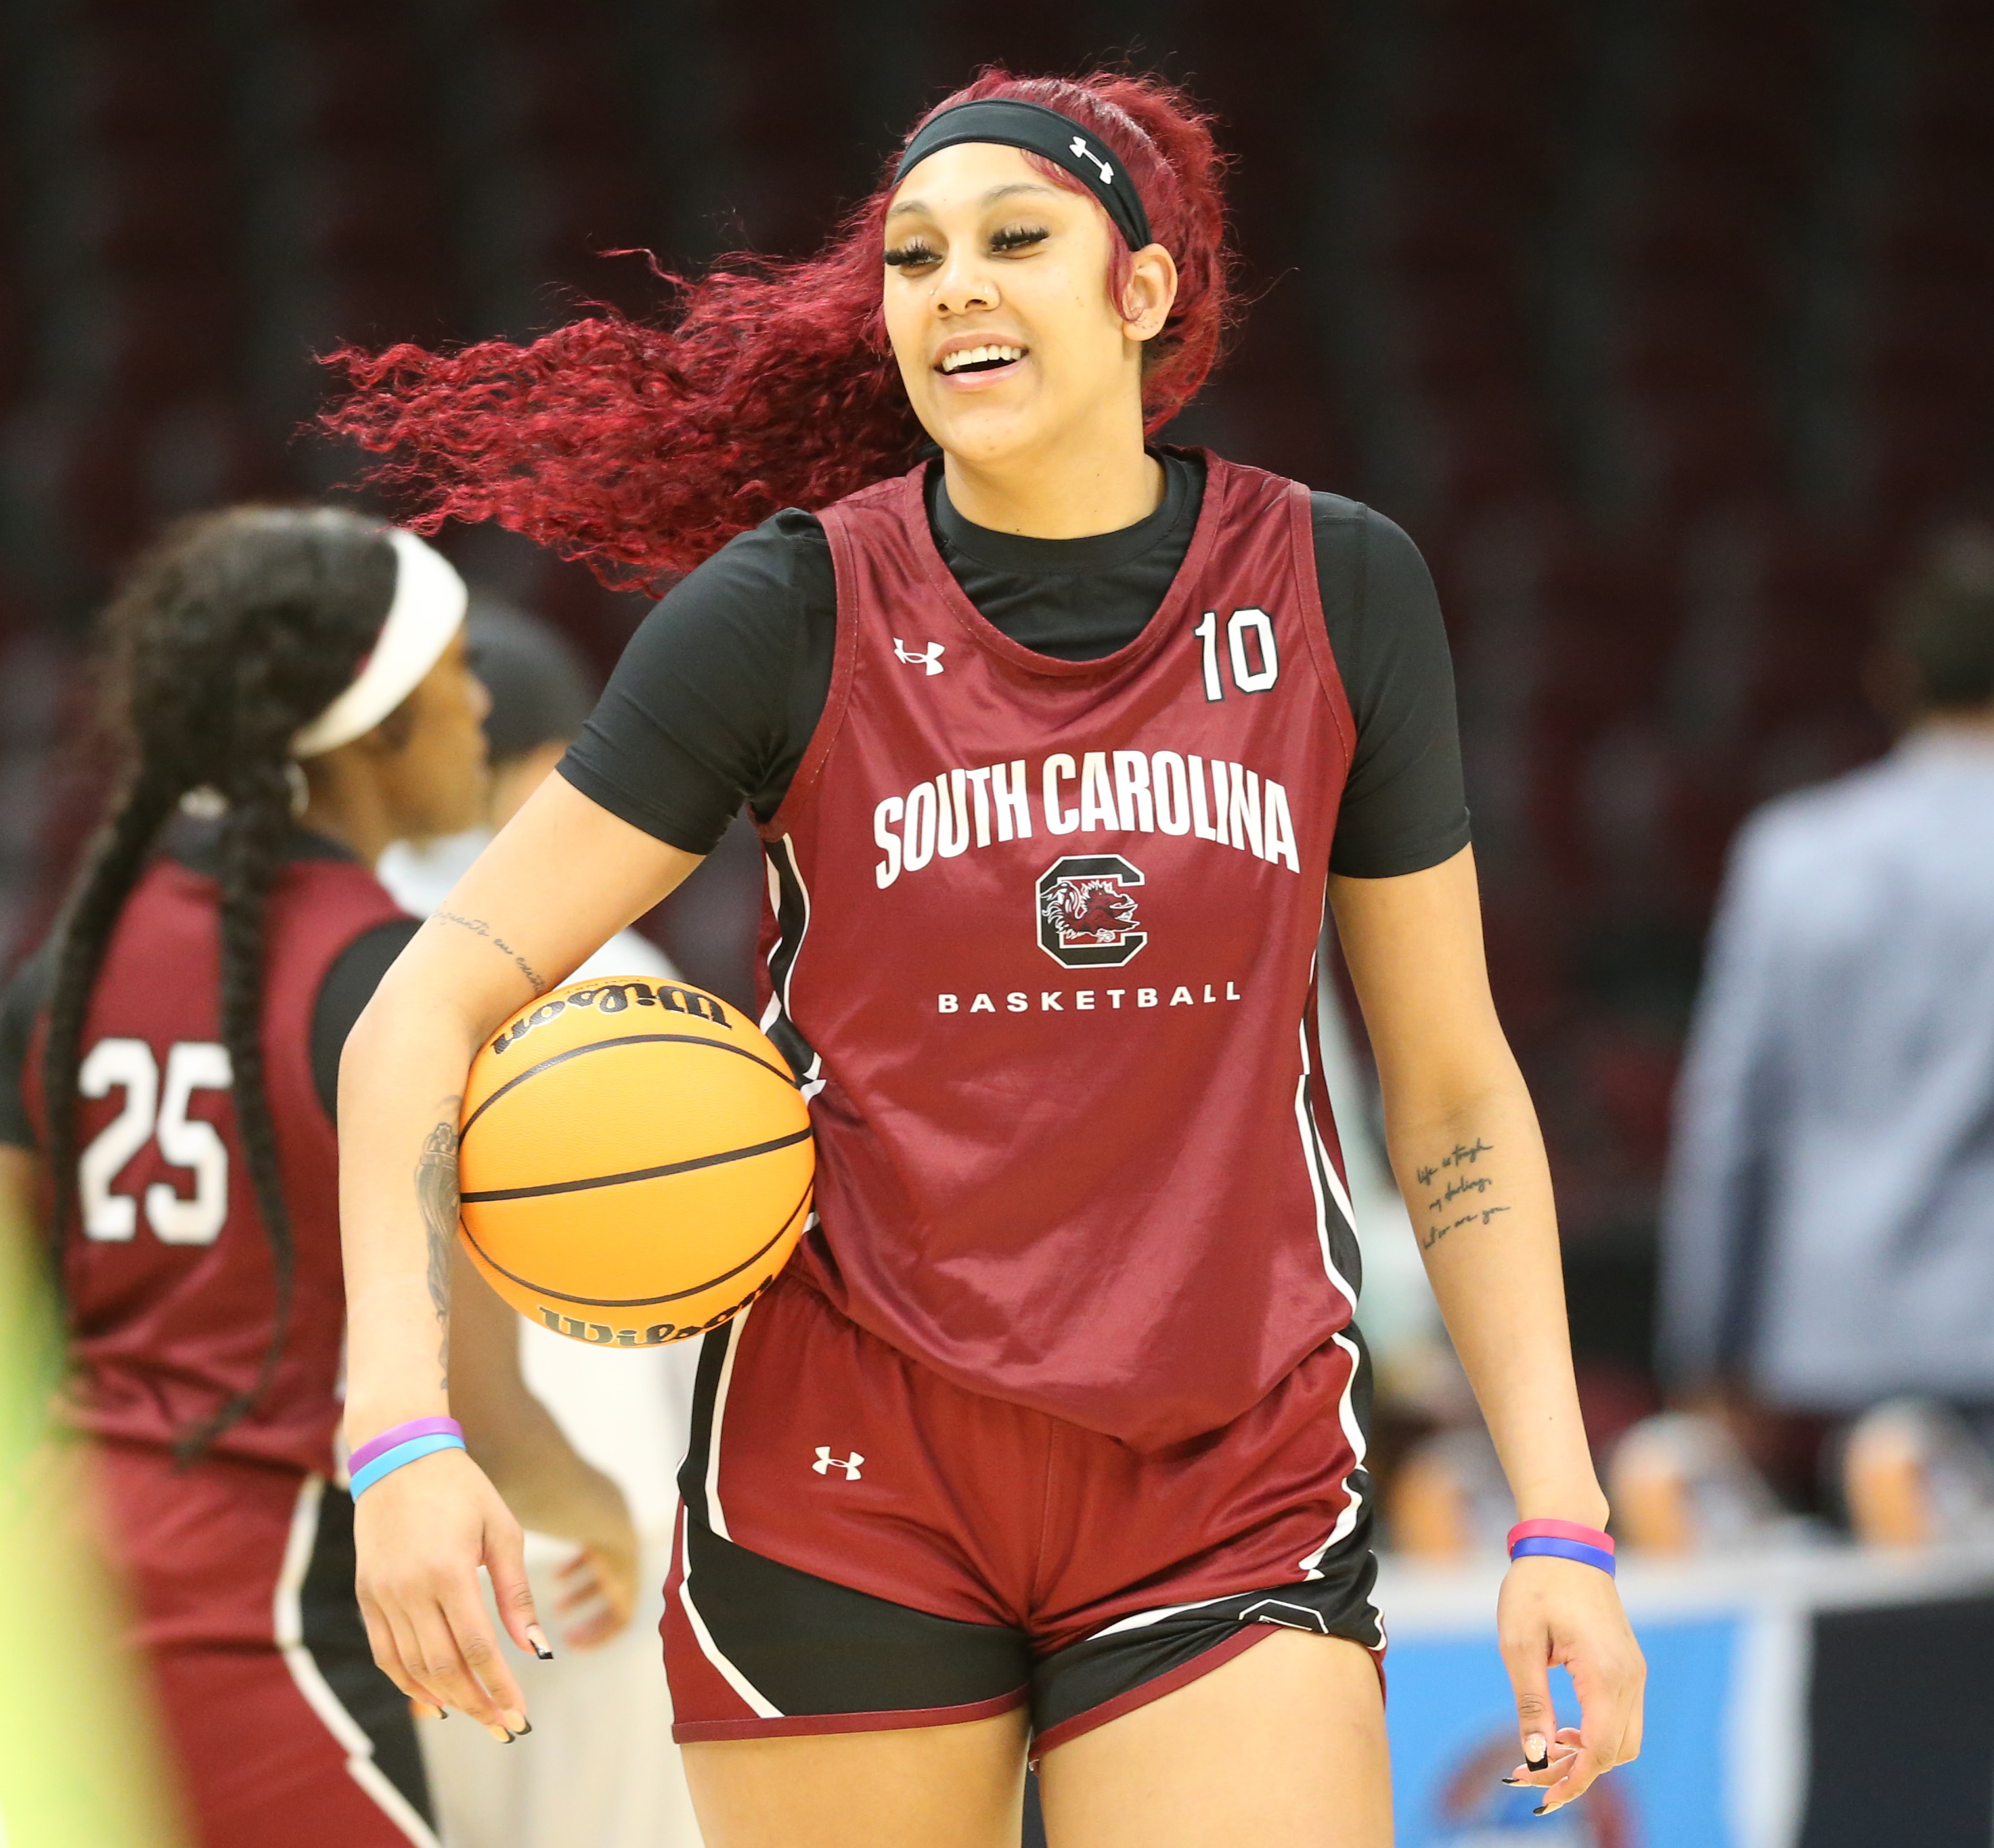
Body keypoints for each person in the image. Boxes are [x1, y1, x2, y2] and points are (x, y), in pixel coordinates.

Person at [324, 70, 1645, 1845]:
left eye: (1017, 241)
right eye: (915, 257)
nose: (953, 286)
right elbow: (420, 1005)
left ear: (1146, 289)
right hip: (844, 1469)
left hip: (1220, 1467)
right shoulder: (784, 609)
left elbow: (1455, 1083)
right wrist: (402, 1435)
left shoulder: (1337, 587)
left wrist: (1556, 1510)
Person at [0, 506, 636, 1848]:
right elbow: (480, 1400)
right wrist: (603, 1512)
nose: (480, 704)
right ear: (375, 722)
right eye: (456, 670)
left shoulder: (67, 961)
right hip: (263, 1603)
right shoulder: (396, 991)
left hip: (54, 1606)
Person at [378, 598, 704, 1848]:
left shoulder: (333, 949)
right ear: (532, 776)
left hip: (389, 1500)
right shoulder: (617, 966)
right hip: (584, 1506)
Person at [1660, 527, 1994, 1508]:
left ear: (1892, 677)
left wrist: (1705, 1348)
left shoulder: (1792, 854)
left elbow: (1728, 1117)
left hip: (1843, 1337)